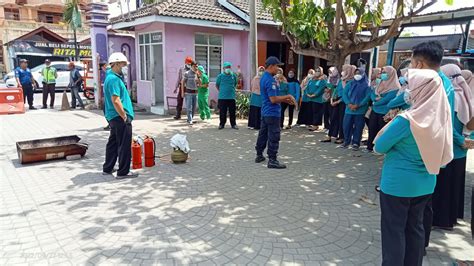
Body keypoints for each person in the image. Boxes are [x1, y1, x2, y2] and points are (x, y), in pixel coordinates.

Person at [374, 69, 453, 266]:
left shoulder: (407, 120)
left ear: (420, 89)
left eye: (410, 85)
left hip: (397, 185)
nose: (407, 89)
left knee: (394, 231)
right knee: (416, 229)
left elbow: (380, 146)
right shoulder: (441, 118)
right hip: (425, 183)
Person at [432, 64, 474, 230]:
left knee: (444, 186)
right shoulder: (467, 94)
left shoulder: (452, 96)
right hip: (461, 149)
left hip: (451, 147)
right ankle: (453, 216)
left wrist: (460, 140)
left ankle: (442, 220)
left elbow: (448, 125)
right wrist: (468, 140)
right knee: (456, 185)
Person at [255, 56, 296, 169]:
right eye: (277, 66)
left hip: (265, 112)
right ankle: (272, 160)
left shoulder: (265, 77)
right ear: (271, 66)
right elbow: (273, 99)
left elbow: (273, 97)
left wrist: (284, 99)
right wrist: (287, 96)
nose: (278, 68)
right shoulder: (270, 80)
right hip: (272, 113)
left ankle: (259, 155)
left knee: (263, 134)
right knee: (274, 136)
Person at [102, 52, 138, 179]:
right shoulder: (113, 79)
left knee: (113, 143)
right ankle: (123, 171)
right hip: (119, 116)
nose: (124, 67)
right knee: (124, 144)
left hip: (113, 116)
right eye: (123, 65)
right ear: (116, 64)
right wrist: (124, 116)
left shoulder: (111, 77)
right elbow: (116, 100)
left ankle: (108, 167)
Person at [365, 66, 400, 153]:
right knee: (372, 128)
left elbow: (388, 99)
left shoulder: (395, 87)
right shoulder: (380, 83)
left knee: (382, 131)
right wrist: (374, 99)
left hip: (384, 112)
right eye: (382, 72)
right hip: (375, 110)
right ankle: (370, 146)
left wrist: (376, 102)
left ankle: (380, 148)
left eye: (384, 72)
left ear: (390, 74)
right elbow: (373, 93)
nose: (382, 74)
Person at [341, 67, 370, 151]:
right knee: (346, 125)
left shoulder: (366, 85)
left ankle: (356, 143)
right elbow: (344, 94)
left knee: (358, 127)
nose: (357, 75)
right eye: (356, 73)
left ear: (363, 74)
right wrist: (349, 104)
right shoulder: (350, 83)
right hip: (349, 109)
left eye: (359, 73)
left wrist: (358, 105)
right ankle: (346, 141)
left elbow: (367, 97)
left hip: (360, 110)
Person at [216, 62, 238, 130]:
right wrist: (222, 91)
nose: (228, 69)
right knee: (222, 112)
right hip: (222, 97)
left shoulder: (233, 76)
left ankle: (233, 124)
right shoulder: (220, 76)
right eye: (226, 67)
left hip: (231, 97)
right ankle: (221, 124)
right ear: (223, 68)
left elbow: (235, 84)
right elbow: (217, 85)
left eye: (229, 67)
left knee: (232, 112)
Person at [321, 66, 341, 142]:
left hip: (336, 100)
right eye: (329, 72)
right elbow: (325, 87)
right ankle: (330, 134)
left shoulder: (339, 80)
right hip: (328, 99)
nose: (330, 73)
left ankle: (335, 135)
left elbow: (337, 89)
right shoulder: (329, 79)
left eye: (331, 71)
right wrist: (326, 90)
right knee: (329, 116)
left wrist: (331, 89)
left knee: (334, 118)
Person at [307, 67, 327, 132]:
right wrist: (307, 94)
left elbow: (321, 89)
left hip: (318, 99)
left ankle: (316, 125)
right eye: (316, 71)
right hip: (310, 98)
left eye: (319, 71)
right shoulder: (311, 80)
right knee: (311, 112)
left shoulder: (322, 80)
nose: (317, 72)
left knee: (317, 112)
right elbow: (307, 87)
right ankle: (312, 123)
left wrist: (314, 95)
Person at [100, 63, 111, 131]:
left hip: (109, 96)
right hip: (108, 95)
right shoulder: (109, 72)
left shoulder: (109, 72)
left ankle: (110, 124)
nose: (102, 70)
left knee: (107, 110)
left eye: (102, 68)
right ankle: (110, 124)